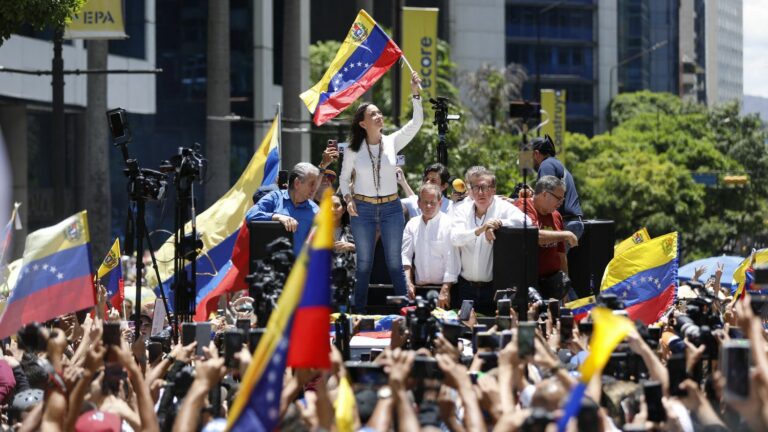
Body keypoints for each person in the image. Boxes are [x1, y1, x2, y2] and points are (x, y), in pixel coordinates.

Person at [339, 71, 423, 313]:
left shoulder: (393, 141)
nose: (379, 116)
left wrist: (415, 93)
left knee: (395, 263)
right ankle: (359, 314)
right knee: (364, 264)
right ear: (362, 123)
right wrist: (347, 199)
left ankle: (404, 313)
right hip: (362, 208)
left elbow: (416, 123)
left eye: (379, 112)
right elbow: (344, 179)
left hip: (391, 208)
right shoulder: (353, 150)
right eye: (372, 113)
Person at [450, 167, 530, 314]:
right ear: (470, 190)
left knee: (491, 330)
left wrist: (499, 223)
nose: (481, 192)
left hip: (492, 288)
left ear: (493, 189)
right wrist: (481, 229)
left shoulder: (503, 207)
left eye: (485, 187)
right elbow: (456, 238)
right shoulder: (461, 209)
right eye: (476, 187)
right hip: (465, 287)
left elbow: (527, 221)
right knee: (465, 331)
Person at [514, 175, 578, 300]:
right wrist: (566, 234)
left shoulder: (556, 215)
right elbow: (533, 235)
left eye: (562, 199)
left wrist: (564, 288)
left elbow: (561, 254)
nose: (561, 203)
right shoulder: (523, 207)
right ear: (544, 194)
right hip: (529, 284)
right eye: (558, 198)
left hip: (552, 283)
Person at [401, 184, 460, 307]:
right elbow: (405, 256)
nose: (428, 206)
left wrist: (445, 290)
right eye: (425, 202)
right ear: (418, 203)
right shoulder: (412, 224)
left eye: (432, 202)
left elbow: (452, 261)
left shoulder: (449, 224)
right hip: (418, 289)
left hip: (444, 289)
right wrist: (408, 282)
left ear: (440, 203)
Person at [245, 162, 320, 256]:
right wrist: (277, 217)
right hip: (273, 267)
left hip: (301, 269)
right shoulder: (275, 198)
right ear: (297, 183)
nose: (314, 189)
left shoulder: (317, 212)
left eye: (316, 185)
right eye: (311, 184)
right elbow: (250, 215)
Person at [531, 135, 584, 240]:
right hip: (572, 222)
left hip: (566, 223)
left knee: (546, 255)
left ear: (536, 154)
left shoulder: (546, 165)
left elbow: (544, 197)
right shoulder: (555, 163)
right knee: (558, 256)